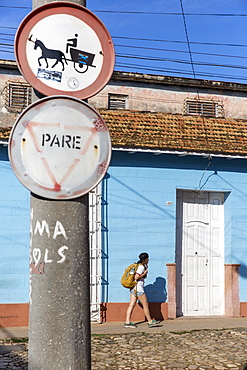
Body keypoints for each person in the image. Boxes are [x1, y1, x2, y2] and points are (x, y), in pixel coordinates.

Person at [124, 252, 160, 328]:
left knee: (131, 304)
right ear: (145, 259)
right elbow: (136, 277)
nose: (148, 260)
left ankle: (127, 322)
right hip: (139, 288)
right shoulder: (141, 267)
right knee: (145, 305)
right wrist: (144, 273)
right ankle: (150, 321)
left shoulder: (137, 266)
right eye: (147, 259)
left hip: (133, 288)